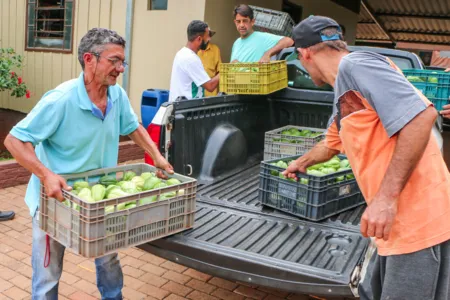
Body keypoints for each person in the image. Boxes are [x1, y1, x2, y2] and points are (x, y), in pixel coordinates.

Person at [283, 15, 450, 300]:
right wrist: (302, 162)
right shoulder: (344, 89)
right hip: (391, 227)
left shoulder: (357, 65)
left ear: (305, 53)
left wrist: (385, 199)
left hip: (418, 224)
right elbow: (331, 145)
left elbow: (422, 116)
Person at [4, 28, 173, 299]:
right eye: (114, 61)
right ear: (89, 59)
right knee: (48, 275)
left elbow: (133, 127)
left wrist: (158, 156)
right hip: (56, 202)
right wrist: (46, 174)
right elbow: (14, 141)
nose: (120, 68)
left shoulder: (116, 95)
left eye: (123, 62)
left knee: (108, 261)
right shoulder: (62, 100)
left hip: (98, 201)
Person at [169, 20, 219, 102]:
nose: (208, 40)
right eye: (207, 37)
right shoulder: (191, 59)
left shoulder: (181, 53)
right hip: (186, 110)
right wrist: (227, 69)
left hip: (179, 107)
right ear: (199, 39)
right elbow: (210, 86)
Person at [198, 29, 222, 97]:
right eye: (207, 35)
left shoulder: (215, 49)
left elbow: (219, 71)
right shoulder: (195, 50)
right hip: (196, 92)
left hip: (211, 93)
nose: (209, 38)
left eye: (209, 35)